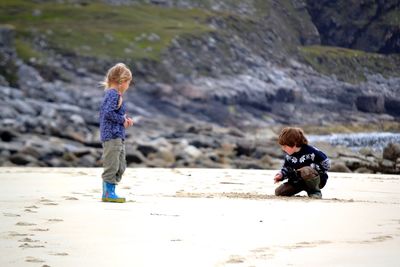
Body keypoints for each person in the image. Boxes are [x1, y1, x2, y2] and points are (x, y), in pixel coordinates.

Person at [99, 63, 134, 203]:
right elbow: (107, 113)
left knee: (121, 165)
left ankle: (111, 190)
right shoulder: (113, 94)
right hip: (112, 135)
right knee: (112, 165)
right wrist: (122, 120)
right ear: (122, 82)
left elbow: (111, 113)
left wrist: (124, 120)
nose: (128, 86)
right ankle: (108, 193)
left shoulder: (115, 94)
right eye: (128, 83)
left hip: (117, 135)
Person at [274, 127, 330, 199]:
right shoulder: (289, 156)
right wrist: (281, 175)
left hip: (315, 180)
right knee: (279, 192)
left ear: (294, 143)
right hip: (298, 181)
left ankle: (314, 191)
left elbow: (326, 163)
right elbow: (287, 168)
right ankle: (303, 187)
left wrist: (315, 168)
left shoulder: (312, 151)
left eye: (285, 146)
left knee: (305, 170)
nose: (283, 148)